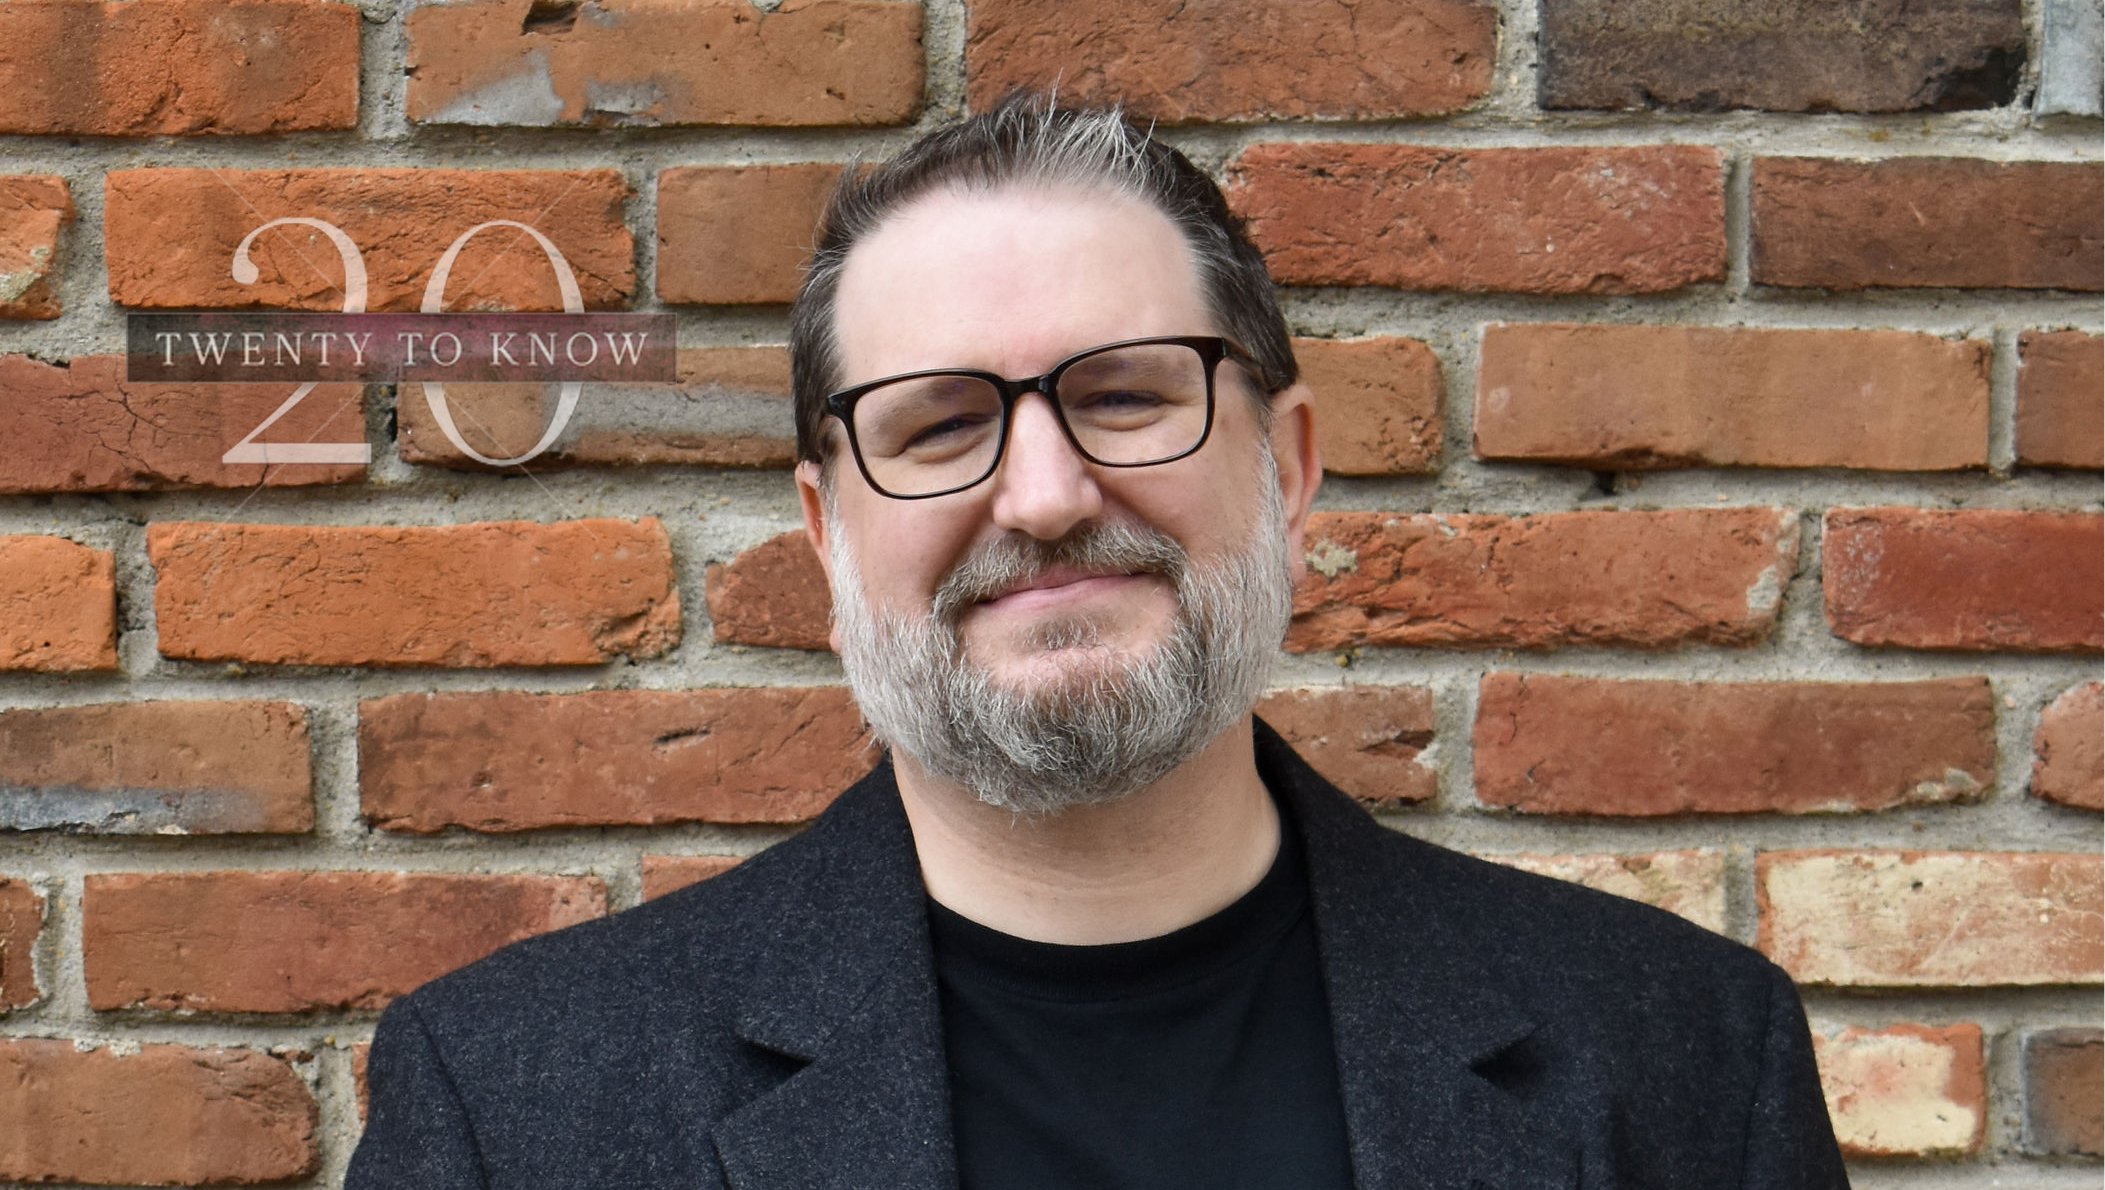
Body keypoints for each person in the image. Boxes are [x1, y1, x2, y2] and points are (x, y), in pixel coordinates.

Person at [349, 95, 1850, 1189]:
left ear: (1289, 465)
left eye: (1125, 394)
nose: (1046, 495)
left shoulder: (1690, 1058)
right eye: (938, 425)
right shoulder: (509, 1107)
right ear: (826, 529)